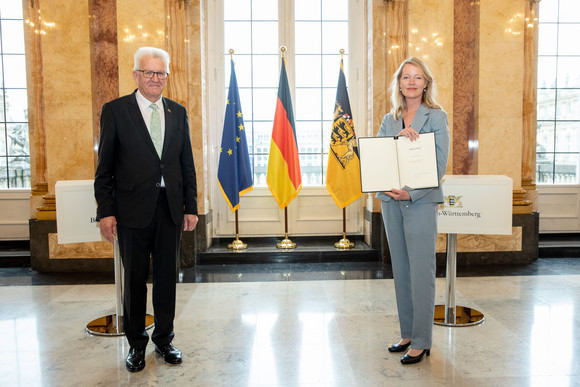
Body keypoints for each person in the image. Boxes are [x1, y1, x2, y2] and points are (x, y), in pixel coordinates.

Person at [94, 47, 198, 372]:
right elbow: (105, 168)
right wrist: (105, 212)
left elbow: (186, 165)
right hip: (131, 214)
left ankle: (164, 340)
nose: (155, 79)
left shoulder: (177, 113)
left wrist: (190, 206)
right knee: (135, 282)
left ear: (167, 76)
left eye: (160, 73)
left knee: (167, 279)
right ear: (135, 74)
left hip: (169, 212)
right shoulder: (115, 111)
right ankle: (136, 345)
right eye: (148, 72)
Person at [376, 57, 450, 365]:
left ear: (426, 83)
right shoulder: (389, 119)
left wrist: (412, 192)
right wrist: (396, 139)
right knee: (402, 271)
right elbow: (378, 155)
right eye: (406, 77)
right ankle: (407, 333)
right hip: (391, 201)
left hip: (420, 202)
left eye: (417, 77)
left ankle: (421, 340)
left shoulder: (436, 116)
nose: (411, 82)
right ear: (399, 83)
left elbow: (439, 163)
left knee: (421, 272)